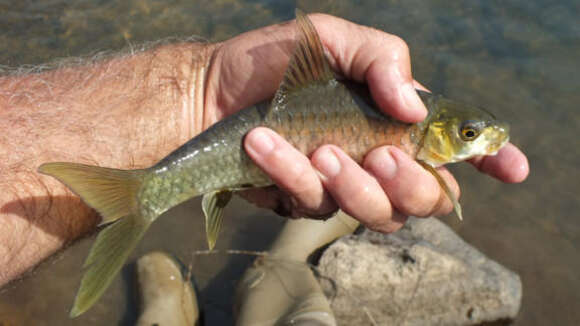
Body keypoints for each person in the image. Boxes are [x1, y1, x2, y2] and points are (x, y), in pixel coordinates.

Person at [0, 13, 528, 287]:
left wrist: (202, 91)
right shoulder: (413, 125)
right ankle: (147, 201)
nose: (481, 140)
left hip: (248, 132)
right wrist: (203, 90)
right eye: (468, 133)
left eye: (471, 134)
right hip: (253, 131)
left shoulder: (409, 132)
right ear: (435, 128)